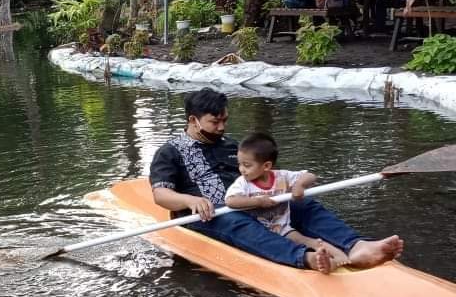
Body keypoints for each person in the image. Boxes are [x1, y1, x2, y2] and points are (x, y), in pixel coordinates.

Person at [148, 88, 404, 274]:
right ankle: (307, 258)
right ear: (193, 120)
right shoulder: (169, 152)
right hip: (212, 214)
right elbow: (161, 194)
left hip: (251, 200)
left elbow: (266, 173)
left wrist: (284, 189)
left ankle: (356, 245)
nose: (222, 127)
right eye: (215, 122)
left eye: (224, 120)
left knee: (301, 204)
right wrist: (190, 199)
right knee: (235, 221)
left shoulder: (232, 146)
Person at [224, 132, 347, 272]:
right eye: (239, 164)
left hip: (282, 228)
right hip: (257, 230)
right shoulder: (243, 183)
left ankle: (339, 258)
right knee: (282, 244)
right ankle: (311, 259)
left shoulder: (282, 177)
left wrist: (299, 185)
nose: (241, 170)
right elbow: (231, 201)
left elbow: (310, 176)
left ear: (266, 166)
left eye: (247, 165)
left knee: (304, 239)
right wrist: (257, 201)